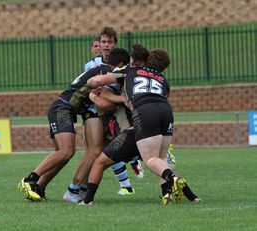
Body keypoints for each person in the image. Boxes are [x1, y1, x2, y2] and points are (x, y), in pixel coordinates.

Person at [84, 48, 196, 205]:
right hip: (166, 112)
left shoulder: (130, 70)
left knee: (149, 159)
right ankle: (187, 196)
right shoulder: (163, 79)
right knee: (161, 159)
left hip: (143, 115)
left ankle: (87, 200)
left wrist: (91, 87)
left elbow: (96, 83)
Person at [18, 48, 130, 201]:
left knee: (62, 156)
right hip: (62, 108)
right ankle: (29, 180)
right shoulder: (106, 72)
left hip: (65, 109)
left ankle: (39, 188)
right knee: (66, 152)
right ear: (122, 64)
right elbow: (102, 96)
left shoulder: (100, 68)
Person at [63, 26, 141, 203]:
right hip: (94, 111)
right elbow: (92, 89)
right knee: (93, 151)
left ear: (115, 43)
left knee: (105, 153)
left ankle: (80, 188)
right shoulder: (94, 64)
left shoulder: (122, 63)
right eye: (103, 42)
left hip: (112, 114)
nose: (106, 45)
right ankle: (74, 191)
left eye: (110, 42)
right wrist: (94, 95)